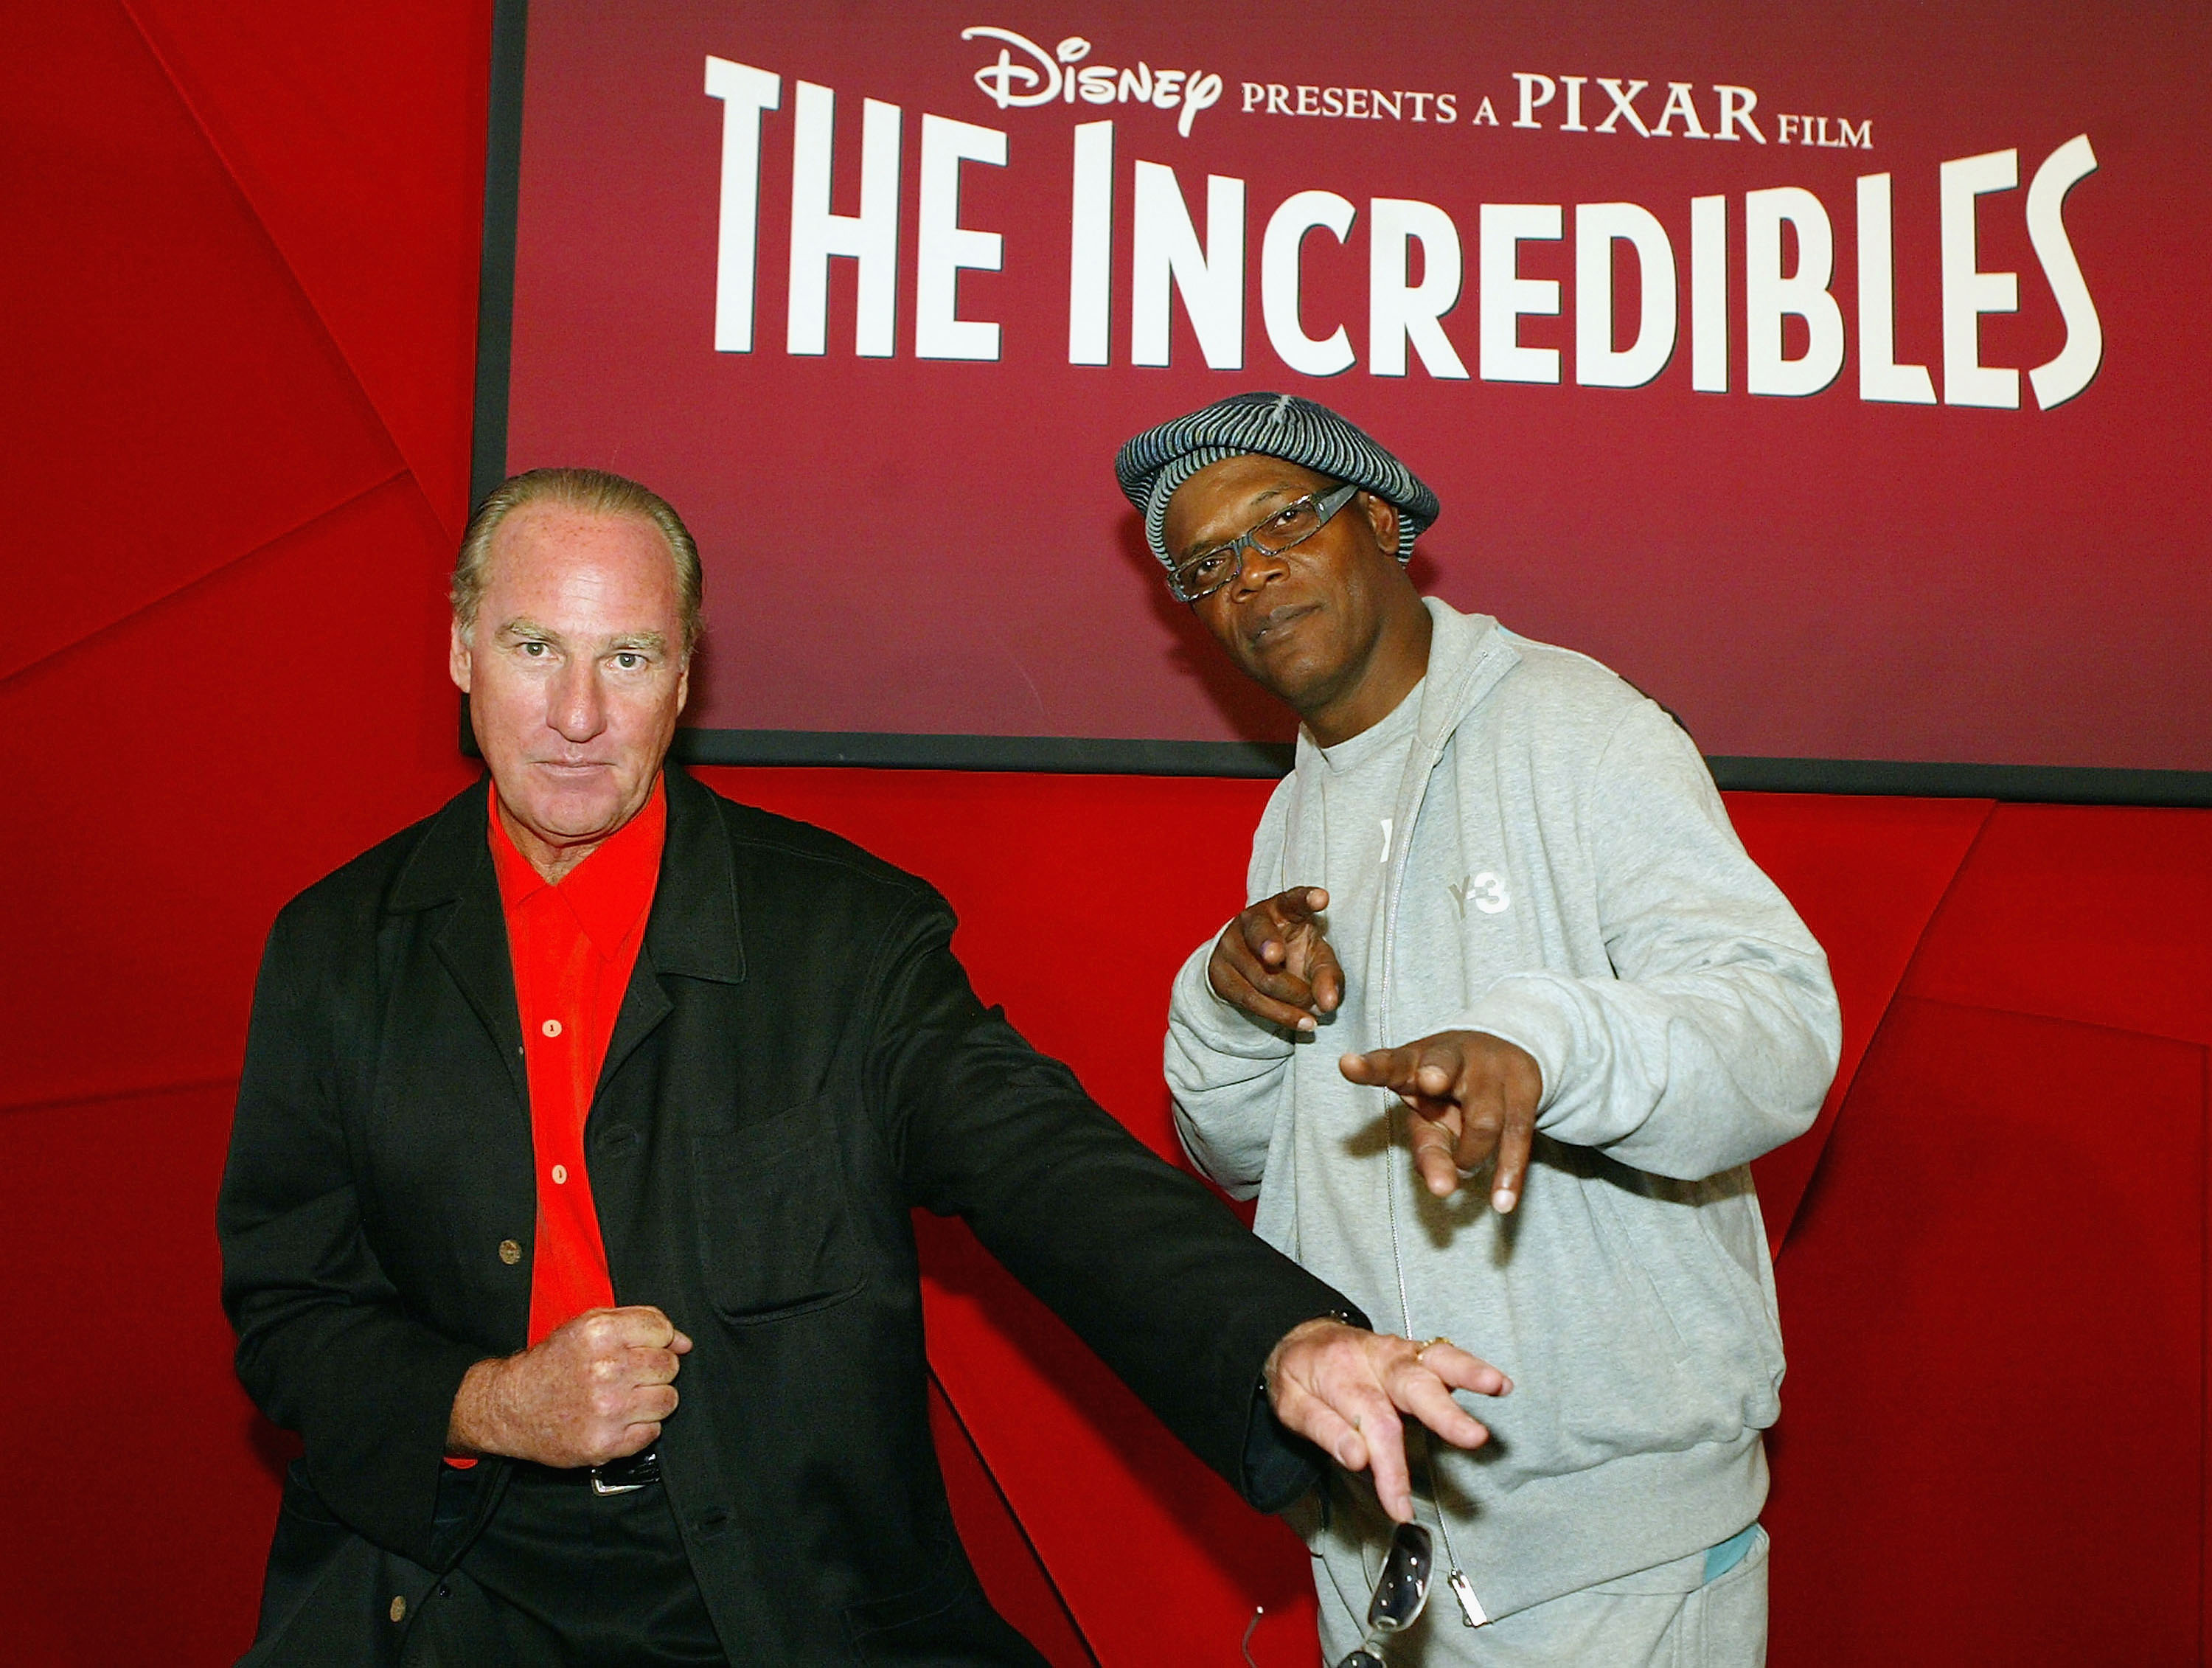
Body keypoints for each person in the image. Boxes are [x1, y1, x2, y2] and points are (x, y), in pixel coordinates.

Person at [216, 466, 1512, 1666]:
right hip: (445, 1589)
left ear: (683, 679)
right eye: (533, 647)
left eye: (626, 656)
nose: (575, 714)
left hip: (776, 1594)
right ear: (459, 650)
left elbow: (1045, 1164)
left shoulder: (844, 936)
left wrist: (1279, 1338)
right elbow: (290, 1314)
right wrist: (494, 1402)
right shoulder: (338, 949)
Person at [1117, 393, 1842, 1665]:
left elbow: (1780, 1033)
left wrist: (1549, 1050)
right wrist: (1225, 1008)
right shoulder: (1292, 816)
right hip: (1373, 1537)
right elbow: (1242, 1162)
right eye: (1209, 563)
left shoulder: (1577, 725)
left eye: (1283, 520)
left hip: (1611, 1568)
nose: (1252, 573)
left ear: (1384, 521)